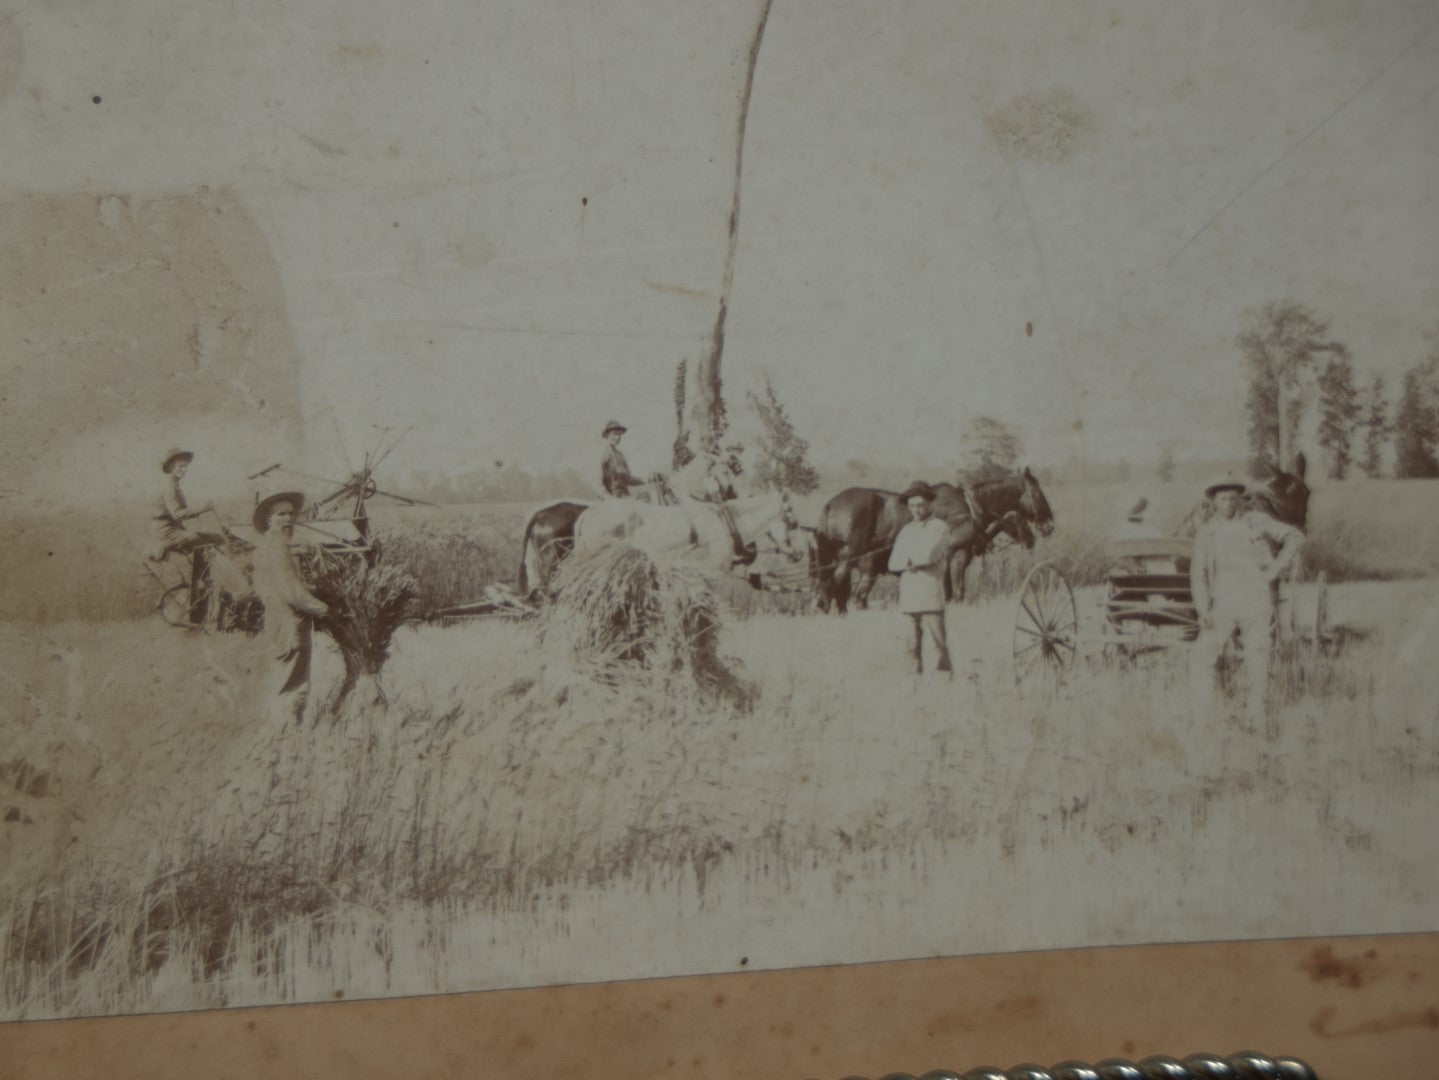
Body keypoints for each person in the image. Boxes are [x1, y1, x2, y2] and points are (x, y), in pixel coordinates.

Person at [1189, 476, 1303, 719]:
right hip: (1223, 601)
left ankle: (1256, 715)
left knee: (1257, 655)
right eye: (1223, 499)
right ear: (1213, 502)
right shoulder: (1206, 532)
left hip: (1255, 598)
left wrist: (1273, 570)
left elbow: (1294, 536)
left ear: (1240, 499)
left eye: (1233, 498)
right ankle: (1203, 715)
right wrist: (1202, 609)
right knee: (1201, 655)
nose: (1229, 503)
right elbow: (1197, 574)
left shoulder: (1255, 522)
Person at [249, 491, 329, 722]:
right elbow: (294, 594)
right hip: (289, 625)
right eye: (280, 515)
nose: (288, 519)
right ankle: (284, 735)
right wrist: (326, 609)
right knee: (293, 685)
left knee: (286, 680)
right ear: (268, 520)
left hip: (279, 622)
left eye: (290, 514)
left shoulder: (268, 546)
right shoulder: (276, 549)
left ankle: (285, 734)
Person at [151, 447, 225, 624]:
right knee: (217, 539)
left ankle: (203, 591)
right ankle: (204, 590)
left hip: (172, 529)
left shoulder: (174, 483)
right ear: (171, 467)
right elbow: (177, 514)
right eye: (180, 467)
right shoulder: (168, 484)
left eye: (185, 467)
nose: (184, 470)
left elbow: (179, 518)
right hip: (166, 532)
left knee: (204, 539)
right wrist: (202, 509)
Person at [887, 481, 953, 676]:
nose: (916, 510)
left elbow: (930, 554)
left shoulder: (939, 527)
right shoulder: (906, 531)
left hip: (930, 591)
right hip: (909, 593)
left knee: (937, 642)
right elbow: (893, 562)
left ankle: (943, 679)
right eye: (912, 506)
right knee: (910, 643)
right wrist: (907, 562)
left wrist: (909, 560)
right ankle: (914, 680)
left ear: (930, 504)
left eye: (920, 505)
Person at [600, 420, 638, 497]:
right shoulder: (603, 454)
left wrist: (647, 481)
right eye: (614, 434)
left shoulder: (620, 455)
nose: (618, 437)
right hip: (610, 497)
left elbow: (628, 479)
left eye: (619, 434)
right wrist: (608, 497)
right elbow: (596, 480)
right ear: (607, 435)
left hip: (623, 495)